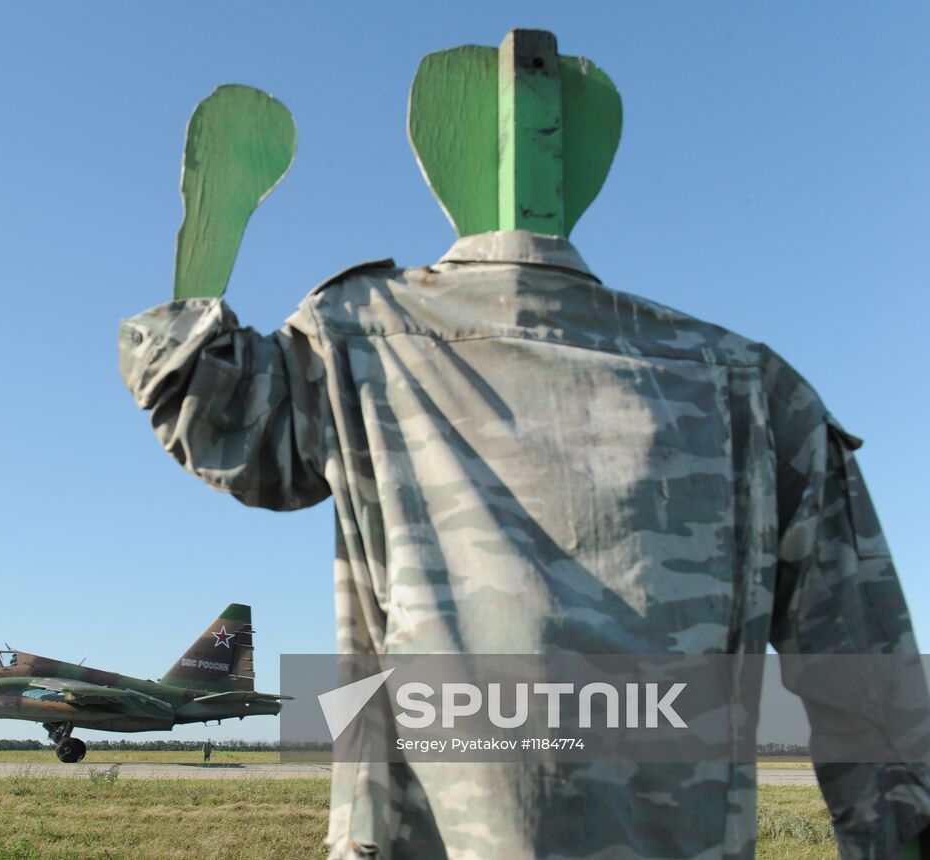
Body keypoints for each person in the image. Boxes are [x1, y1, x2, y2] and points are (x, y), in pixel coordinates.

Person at [120, 231, 930, 858]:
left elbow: (209, 406)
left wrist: (209, 236)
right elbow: (880, 708)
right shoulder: (754, 384)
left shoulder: (353, 335)